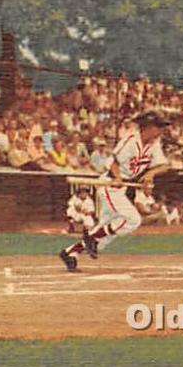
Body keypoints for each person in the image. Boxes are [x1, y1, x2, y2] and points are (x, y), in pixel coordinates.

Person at [60, 111, 171, 271]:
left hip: (122, 186)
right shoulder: (131, 140)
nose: (161, 131)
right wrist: (118, 177)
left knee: (104, 235)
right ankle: (91, 238)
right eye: (158, 127)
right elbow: (112, 161)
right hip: (110, 185)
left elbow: (164, 165)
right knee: (132, 220)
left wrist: (149, 174)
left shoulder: (154, 144)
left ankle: (70, 253)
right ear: (147, 127)